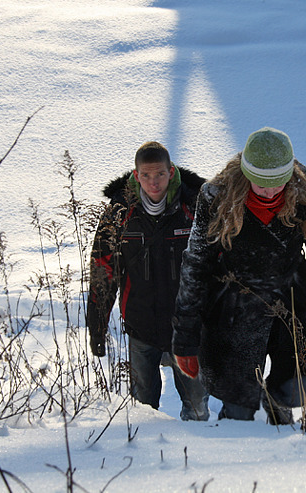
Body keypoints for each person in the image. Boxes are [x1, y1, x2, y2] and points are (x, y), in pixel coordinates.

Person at [171, 127, 306, 424]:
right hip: (233, 305)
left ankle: (284, 433)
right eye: (261, 185)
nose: (270, 192)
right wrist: (185, 339)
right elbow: (196, 263)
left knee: (290, 390)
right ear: (246, 173)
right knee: (238, 406)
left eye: (277, 185)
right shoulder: (217, 196)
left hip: (290, 299)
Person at [87, 141, 210, 421]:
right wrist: (97, 326)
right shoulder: (119, 215)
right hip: (141, 326)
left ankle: (198, 459)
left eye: (160, 175)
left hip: (188, 329)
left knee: (197, 407)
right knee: (143, 411)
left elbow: (218, 267)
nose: (154, 183)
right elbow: (103, 272)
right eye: (146, 175)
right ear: (136, 174)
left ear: (171, 172)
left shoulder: (196, 208)